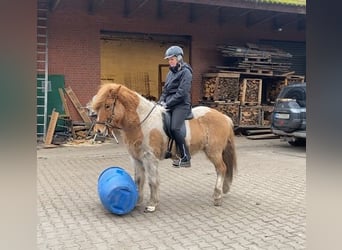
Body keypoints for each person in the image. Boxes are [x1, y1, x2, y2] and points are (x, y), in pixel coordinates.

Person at [158, 45, 192, 168]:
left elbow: (182, 93)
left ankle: (185, 157)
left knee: (175, 128)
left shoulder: (186, 72)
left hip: (181, 104)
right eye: (168, 59)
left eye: (172, 59)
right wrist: (160, 102)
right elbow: (165, 91)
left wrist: (167, 103)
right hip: (169, 103)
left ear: (179, 58)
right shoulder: (170, 74)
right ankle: (167, 150)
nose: (170, 61)